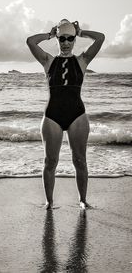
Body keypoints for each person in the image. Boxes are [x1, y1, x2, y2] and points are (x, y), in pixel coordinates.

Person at [26, 19, 105, 210]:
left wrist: (81, 31)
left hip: (77, 115)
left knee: (80, 160)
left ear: (74, 40)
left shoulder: (82, 61)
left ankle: (83, 200)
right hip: (52, 116)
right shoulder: (48, 61)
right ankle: (49, 202)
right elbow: (30, 41)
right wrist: (49, 34)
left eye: (70, 39)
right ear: (58, 39)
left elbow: (101, 38)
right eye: (62, 39)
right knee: (50, 162)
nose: (66, 42)